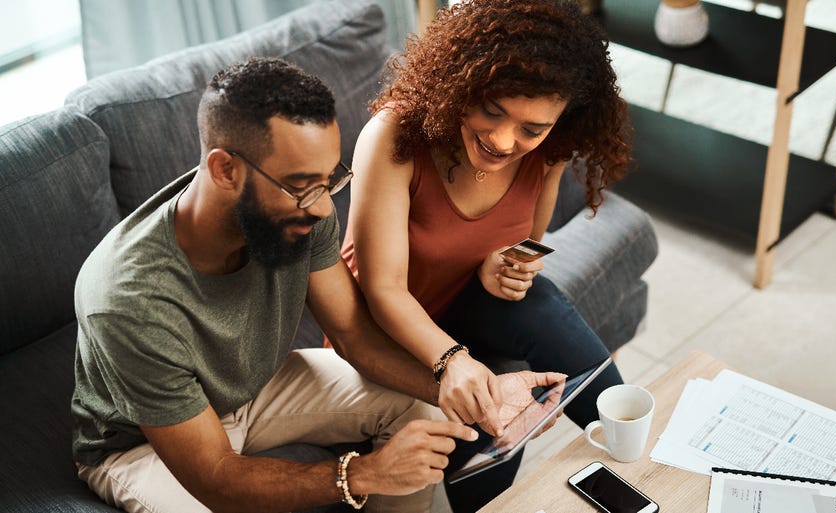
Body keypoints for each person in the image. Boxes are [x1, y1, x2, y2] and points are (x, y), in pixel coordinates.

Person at [70, 56, 562, 513]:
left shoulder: (303, 204)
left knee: (419, 406)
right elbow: (215, 475)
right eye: (304, 186)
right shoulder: (127, 300)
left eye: (330, 180)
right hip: (144, 443)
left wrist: (484, 394)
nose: (327, 208)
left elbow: (355, 337)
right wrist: (365, 473)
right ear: (225, 170)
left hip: (256, 388)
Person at [344, 1, 633, 509]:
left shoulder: (551, 149)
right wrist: (452, 360)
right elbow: (383, 289)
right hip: (388, 332)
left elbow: (526, 239)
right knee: (499, 382)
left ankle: (634, 447)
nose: (503, 141)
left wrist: (502, 264)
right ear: (461, 83)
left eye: (532, 128)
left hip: (468, 309)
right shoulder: (395, 137)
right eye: (492, 111)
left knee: (535, 302)